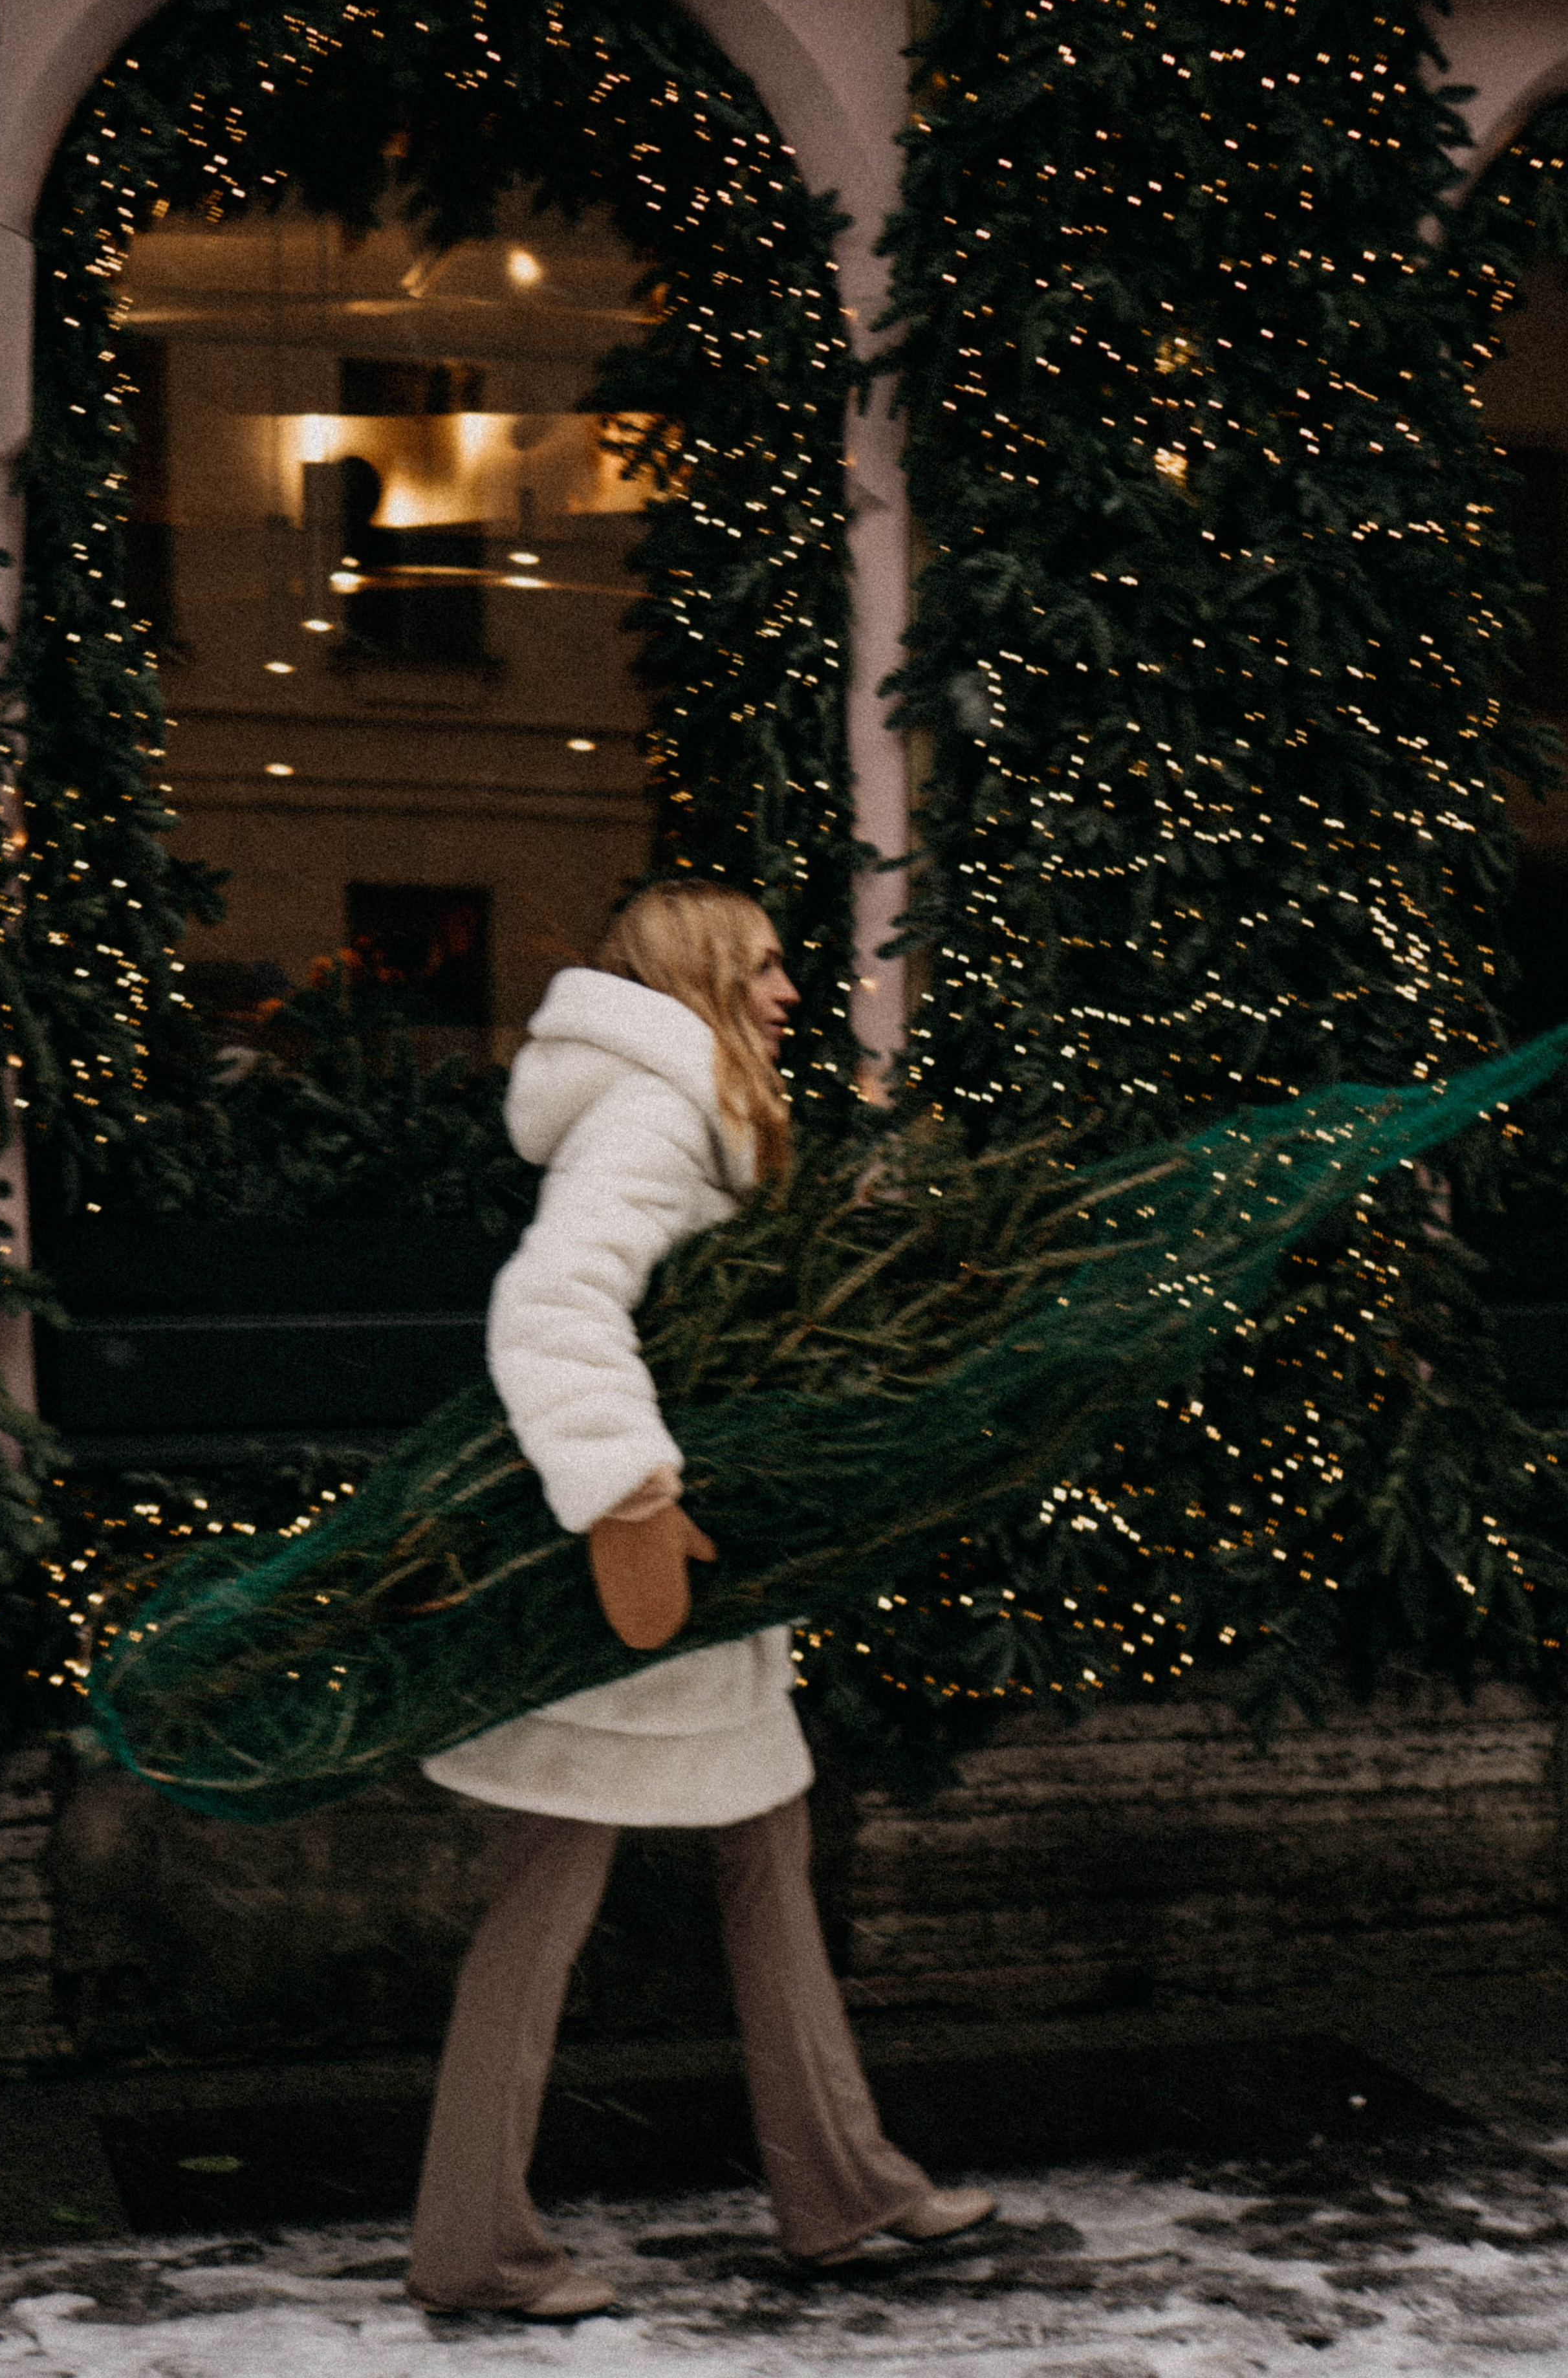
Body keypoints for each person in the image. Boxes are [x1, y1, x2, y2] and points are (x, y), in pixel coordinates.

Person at [406, 878, 995, 2320]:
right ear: (700, 978)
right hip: (637, 1582)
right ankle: (476, 2243)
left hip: (688, 1596)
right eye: (766, 968)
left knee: (764, 1868)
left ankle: (839, 2186)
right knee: (545, 1908)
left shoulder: (699, 1111)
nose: (791, 993)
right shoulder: (653, 1114)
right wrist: (629, 1492)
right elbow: (551, 1302)